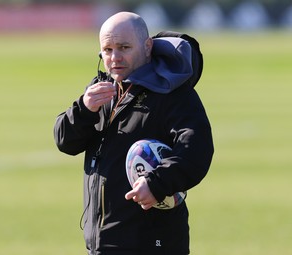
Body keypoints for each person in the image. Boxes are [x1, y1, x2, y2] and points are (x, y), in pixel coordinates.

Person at [54, 11, 214, 255]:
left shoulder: (172, 91)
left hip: (152, 244)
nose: (114, 57)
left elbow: (196, 148)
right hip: (103, 243)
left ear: (147, 46)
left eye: (124, 47)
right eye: (107, 50)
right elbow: (65, 141)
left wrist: (156, 184)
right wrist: (84, 109)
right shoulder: (102, 89)